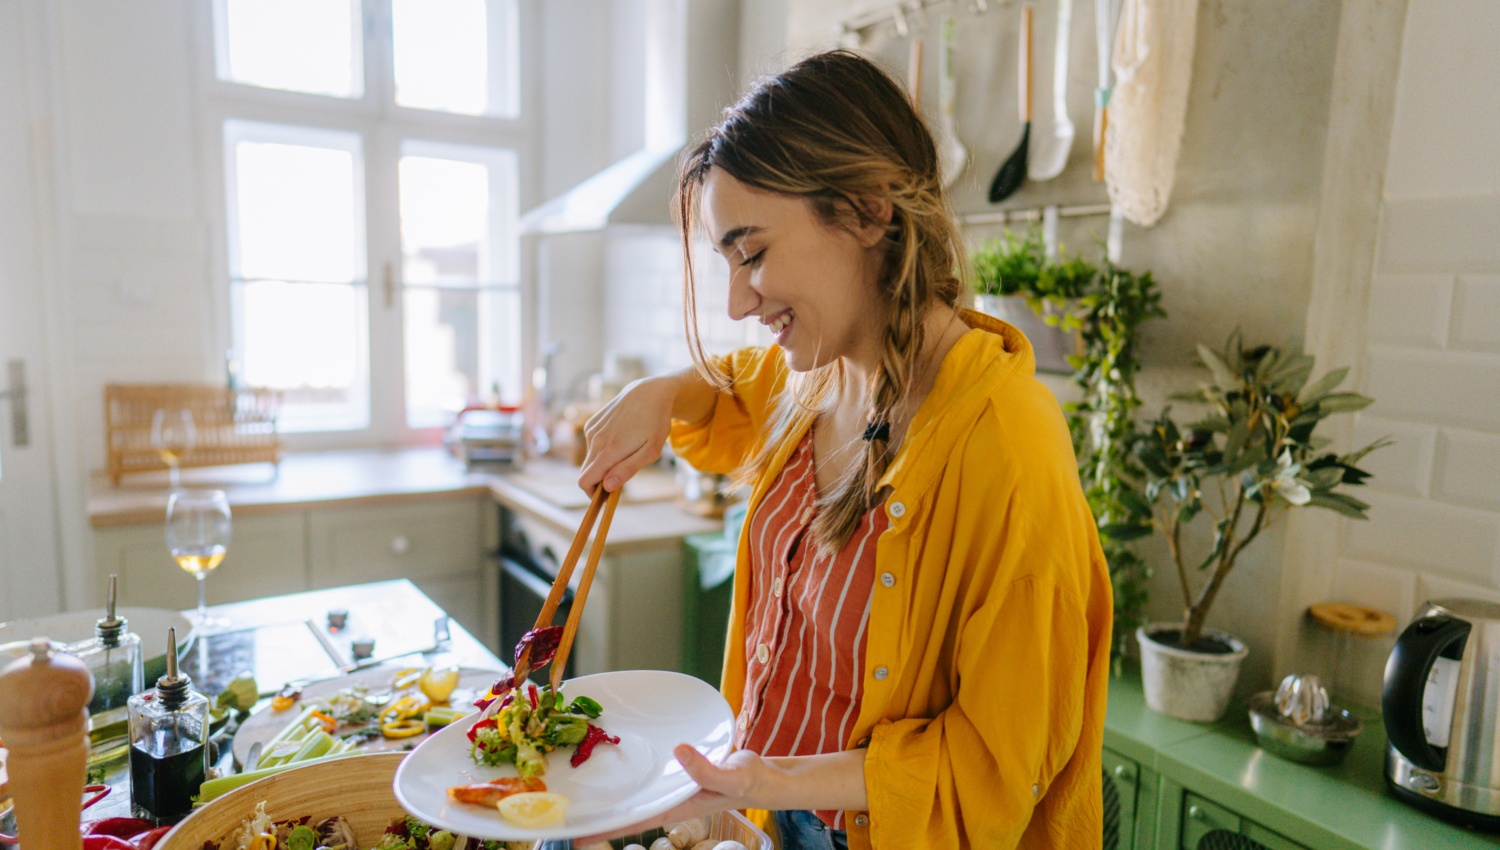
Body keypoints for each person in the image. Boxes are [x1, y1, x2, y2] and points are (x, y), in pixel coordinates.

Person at [578, 50, 1111, 850]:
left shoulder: (1007, 444)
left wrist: (761, 779)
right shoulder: (820, 379)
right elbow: (731, 384)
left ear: (867, 213)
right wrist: (662, 392)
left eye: (752, 254)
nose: (736, 300)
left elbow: (999, 760)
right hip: (773, 815)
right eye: (727, 263)